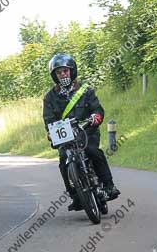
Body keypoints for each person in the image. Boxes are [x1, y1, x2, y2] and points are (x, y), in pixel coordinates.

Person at [43, 54, 120, 210]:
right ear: (54, 75)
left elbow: (97, 108)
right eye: (59, 72)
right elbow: (48, 119)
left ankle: (109, 185)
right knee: (63, 162)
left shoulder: (85, 91)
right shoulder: (49, 97)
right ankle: (75, 196)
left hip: (86, 132)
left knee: (93, 151)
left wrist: (96, 117)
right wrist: (50, 131)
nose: (63, 75)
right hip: (66, 137)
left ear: (72, 71)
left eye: (65, 71)